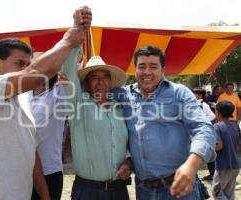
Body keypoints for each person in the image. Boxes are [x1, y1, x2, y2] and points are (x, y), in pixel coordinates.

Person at [0, 6, 92, 200]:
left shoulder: (23, 101)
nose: (25, 68)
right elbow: (33, 76)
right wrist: (68, 39)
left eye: (27, 64)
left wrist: (45, 195)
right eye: (19, 63)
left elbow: (30, 154)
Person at [113, 45, 216, 199]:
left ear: (163, 69)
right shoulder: (125, 95)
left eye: (153, 66)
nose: (147, 72)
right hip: (144, 190)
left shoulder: (179, 93)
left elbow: (203, 128)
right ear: (135, 70)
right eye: (142, 66)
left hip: (179, 188)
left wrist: (191, 165)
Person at [61, 54, 133, 200]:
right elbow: (68, 69)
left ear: (110, 81)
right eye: (94, 77)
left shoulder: (120, 109)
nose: (100, 81)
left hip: (119, 191)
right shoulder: (78, 106)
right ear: (86, 83)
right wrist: (76, 44)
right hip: (88, 192)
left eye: (105, 76)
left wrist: (128, 161)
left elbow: (126, 143)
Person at [29, 73, 66, 200]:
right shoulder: (23, 96)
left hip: (49, 172)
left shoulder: (59, 91)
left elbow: (74, 62)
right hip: (21, 173)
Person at [212, 100, 241, 200]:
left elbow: (219, 146)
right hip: (236, 165)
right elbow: (238, 146)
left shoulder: (216, 127)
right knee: (229, 193)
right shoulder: (235, 125)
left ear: (218, 113)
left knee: (217, 193)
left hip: (224, 165)